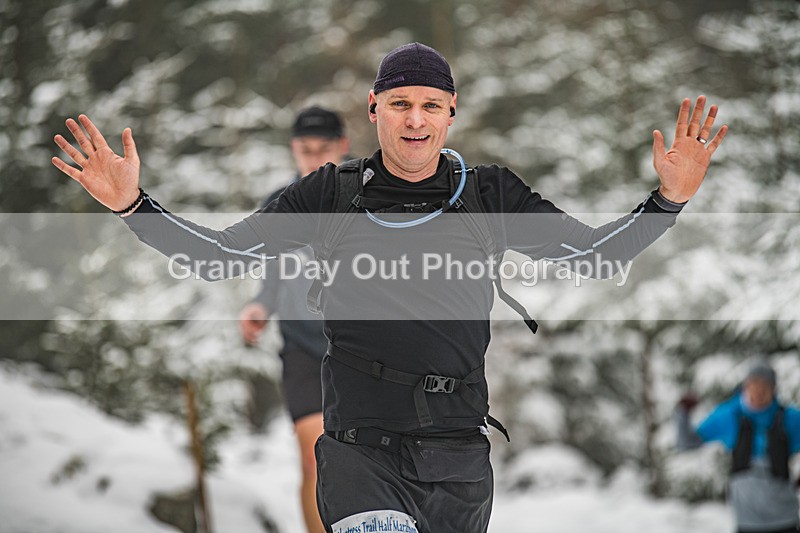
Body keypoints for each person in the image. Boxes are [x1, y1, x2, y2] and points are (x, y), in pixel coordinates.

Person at [53, 42, 728, 533]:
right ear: (374, 108)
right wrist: (133, 204)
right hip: (361, 453)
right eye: (400, 102)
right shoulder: (331, 192)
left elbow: (590, 255)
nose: (415, 119)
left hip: (459, 456)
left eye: (430, 105)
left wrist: (666, 201)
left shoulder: (490, 193)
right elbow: (221, 254)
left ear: (450, 113)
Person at [239, 106, 349, 533]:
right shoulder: (279, 205)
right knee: (314, 459)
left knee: (367, 465)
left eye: (324, 149)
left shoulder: (367, 198)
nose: (315, 158)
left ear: (342, 146)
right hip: (303, 349)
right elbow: (273, 274)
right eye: (306, 150)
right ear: (293, 150)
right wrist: (259, 308)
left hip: (360, 350)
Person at [676, 361, 800, 533]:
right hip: (747, 520)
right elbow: (687, 443)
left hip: (785, 518)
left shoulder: (790, 418)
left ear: (774, 389)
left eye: (765, 385)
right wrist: (683, 413)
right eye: (754, 384)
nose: (759, 391)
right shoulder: (728, 416)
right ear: (745, 386)